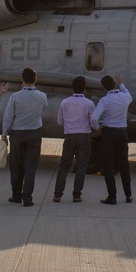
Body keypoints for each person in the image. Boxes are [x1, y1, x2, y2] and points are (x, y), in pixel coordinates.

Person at [2, 67, 47, 207]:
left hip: (17, 134)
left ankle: (16, 195)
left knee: (16, 167)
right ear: (36, 79)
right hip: (34, 134)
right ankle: (28, 198)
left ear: (22, 80)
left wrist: (4, 133)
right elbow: (43, 109)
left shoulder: (15, 96)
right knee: (30, 167)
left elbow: (8, 117)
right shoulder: (42, 96)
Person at [91, 73, 133, 204]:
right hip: (122, 133)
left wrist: (97, 127)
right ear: (114, 84)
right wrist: (121, 82)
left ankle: (112, 196)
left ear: (104, 88)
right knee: (124, 164)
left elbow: (94, 118)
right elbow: (127, 92)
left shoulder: (105, 100)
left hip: (108, 133)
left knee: (108, 165)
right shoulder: (125, 97)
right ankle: (128, 195)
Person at [54, 75, 95, 203]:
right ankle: (76, 195)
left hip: (69, 136)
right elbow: (93, 122)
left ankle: (58, 194)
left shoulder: (64, 102)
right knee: (81, 166)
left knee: (64, 166)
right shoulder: (89, 103)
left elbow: (59, 122)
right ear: (84, 88)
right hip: (84, 136)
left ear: (72, 87)